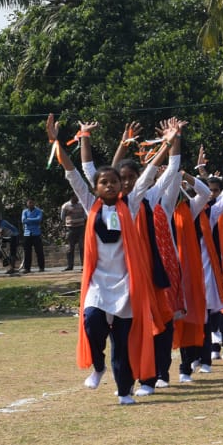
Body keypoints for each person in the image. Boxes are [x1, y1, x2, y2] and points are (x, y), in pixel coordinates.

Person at [48, 114, 159, 405]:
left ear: (122, 187)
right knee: (92, 322)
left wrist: (169, 144)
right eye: (104, 182)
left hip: (126, 286)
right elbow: (73, 172)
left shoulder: (130, 205)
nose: (109, 186)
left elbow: (148, 176)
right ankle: (98, 367)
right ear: (96, 187)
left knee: (122, 343)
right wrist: (57, 143)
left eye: (114, 182)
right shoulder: (90, 205)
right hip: (98, 283)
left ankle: (124, 391)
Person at [60, 194, 87, 271]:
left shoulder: (81, 204)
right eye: (76, 197)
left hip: (81, 228)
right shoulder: (65, 206)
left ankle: (84, 266)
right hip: (70, 228)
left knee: (82, 247)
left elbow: (85, 216)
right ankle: (70, 266)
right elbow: (62, 217)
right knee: (70, 248)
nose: (77, 198)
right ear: (72, 197)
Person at [21, 199, 45, 273]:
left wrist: (28, 219)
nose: (30, 204)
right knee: (27, 252)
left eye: (31, 203)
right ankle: (27, 268)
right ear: (27, 204)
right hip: (27, 233)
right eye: (29, 203)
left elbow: (39, 219)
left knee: (39, 251)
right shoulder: (24, 211)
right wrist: (33, 220)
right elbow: (23, 220)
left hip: (36, 233)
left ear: (34, 203)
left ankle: (41, 267)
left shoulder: (39, 211)